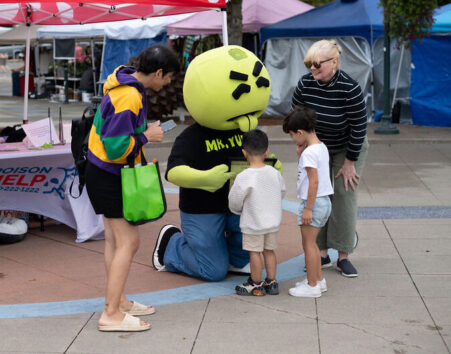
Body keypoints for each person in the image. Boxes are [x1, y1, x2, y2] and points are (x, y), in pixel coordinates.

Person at [84, 44, 179, 332]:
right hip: (110, 174)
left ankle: (118, 302)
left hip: (99, 172)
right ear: (159, 72)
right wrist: (146, 136)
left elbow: (114, 135)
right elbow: (116, 148)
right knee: (128, 242)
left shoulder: (122, 84)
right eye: (169, 78)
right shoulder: (129, 96)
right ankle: (111, 314)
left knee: (115, 240)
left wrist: (140, 131)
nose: (168, 84)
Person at [291, 39, 369, 277]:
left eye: (317, 64)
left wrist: (349, 162)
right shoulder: (305, 84)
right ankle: (322, 253)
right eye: (309, 64)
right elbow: (297, 116)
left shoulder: (349, 87)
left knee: (344, 195)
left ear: (334, 62)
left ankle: (343, 256)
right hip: (318, 146)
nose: (312, 69)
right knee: (319, 195)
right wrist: (302, 144)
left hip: (348, 146)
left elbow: (359, 126)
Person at [282, 106, 333, 298]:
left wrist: (308, 209)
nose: (293, 139)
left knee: (309, 245)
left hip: (315, 203)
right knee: (313, 244)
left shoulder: (310, 153)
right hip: (324, 201)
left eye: (293, 135)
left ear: (300, 132)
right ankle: (318, 280)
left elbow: (314, 181)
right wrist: (299, 154)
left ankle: (312, 286)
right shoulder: (320, 147)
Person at [228, 129, 286, 296]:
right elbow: (282, 191)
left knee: (254, 252)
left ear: (244, 153)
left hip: (253, 223)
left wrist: (237, 211)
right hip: (272, 222)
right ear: (267, 151)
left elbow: (235, 201)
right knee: (269, 251)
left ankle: (255, 283)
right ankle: (272, 281)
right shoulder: (274, 173)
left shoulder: (244, 176)